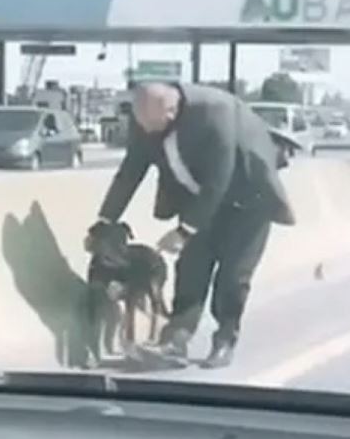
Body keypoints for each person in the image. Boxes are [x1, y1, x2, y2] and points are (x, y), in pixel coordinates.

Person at [88, 81, 295, 369]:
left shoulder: (215, 114)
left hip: (249, 199)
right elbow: (131, 170)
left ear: (172, 112)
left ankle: (224, 340)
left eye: (153, 126)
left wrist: (185, 230)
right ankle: (175, 340)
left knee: (233, 277)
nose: (147, 133)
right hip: (198, 200)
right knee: (190, 269)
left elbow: (218, 180)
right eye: (142, 124)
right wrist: (105, 220)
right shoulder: (146, 118)